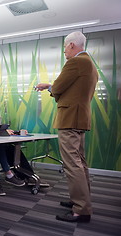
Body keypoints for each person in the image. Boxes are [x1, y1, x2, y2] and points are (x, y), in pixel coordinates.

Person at [35, 31, 97, 223]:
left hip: (70, 118)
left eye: (64, 47)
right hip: (79, 118)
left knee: (72, 164)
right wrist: (52, 86)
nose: (64, 52)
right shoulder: (89, 64)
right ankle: (80, 201)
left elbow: (60, 87)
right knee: (79, 162)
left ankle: (81, 209)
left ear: (72, 45)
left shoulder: (76, 62)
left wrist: (49, 87)